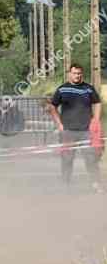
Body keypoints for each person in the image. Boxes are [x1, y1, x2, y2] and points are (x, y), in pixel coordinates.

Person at [49, 63, 104, 193]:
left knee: (91, 159)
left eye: (79, 73)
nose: (77, 76)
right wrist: (59, 124)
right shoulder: (62, 89)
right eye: (75, 73)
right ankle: (66, 184)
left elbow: (97, 103)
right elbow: (52, 106)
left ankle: (96, 184)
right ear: (70, 74)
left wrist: (95, 120)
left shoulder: (88, 89)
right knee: (67, 159)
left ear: (82, 74)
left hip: (86, 131)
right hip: (68, 131)